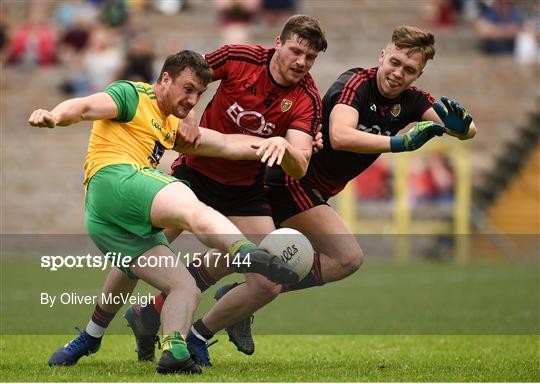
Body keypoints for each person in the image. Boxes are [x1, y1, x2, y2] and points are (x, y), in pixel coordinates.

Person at [124, 24, 477, 366]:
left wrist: (463, 131)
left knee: (243, 262)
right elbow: (340, 135)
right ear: (382, 56)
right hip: (291, 181)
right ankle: (199, 331)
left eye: (409, 69)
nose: (398, 73)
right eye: (395, 63)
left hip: (309, 186)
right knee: (343, 258)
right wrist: (400, 143)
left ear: (419, 73)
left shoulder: (413, 102)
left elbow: (459, 123)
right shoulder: (356, 83)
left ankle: (156, 313)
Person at [28, 50, 301, 374]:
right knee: (188, 200)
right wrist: (55, 116)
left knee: (184, 286)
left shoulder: (173, 126)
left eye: (199, 94)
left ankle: (164, 348)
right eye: (187, 89)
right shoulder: (133, 95)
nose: (192, 100)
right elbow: (85, 107)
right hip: (113, 178)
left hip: (106, 223)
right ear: (166, 79)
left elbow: (226, 145)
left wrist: (277, 144)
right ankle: (244, 251)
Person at [123, 14, 327, 365]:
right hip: (195, 175)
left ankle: (195, 335)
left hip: (244, 191)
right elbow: (191, 78)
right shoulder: (239, 57)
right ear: (278, 43)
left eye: (309, 58)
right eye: (296, 51)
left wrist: (287, 150)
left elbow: (301, 165)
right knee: (141, 245)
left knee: (269, 281)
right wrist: (187, 119)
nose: (301, 62)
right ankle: (91, 333)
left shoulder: (307, 96)